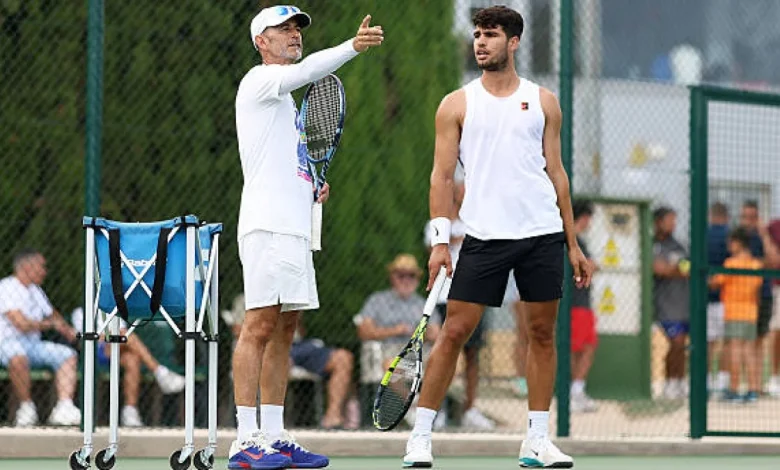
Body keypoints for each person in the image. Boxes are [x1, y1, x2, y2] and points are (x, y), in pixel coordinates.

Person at [402, 6, 592, 468]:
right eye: (477, 35)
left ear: (514, 42)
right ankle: (420, 438)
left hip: (542, 235)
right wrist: (440, 241)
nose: (481, 43)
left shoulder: (544, 100)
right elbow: (441, 178)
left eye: (491, 35)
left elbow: (558, 173)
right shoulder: (456, 104)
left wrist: (573, 242)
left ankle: (535, 442)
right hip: (484, 238)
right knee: (454, 334)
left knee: (541, 334)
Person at [230, 5, 383, 469]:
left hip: (294, 228)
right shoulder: (258, 81)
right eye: (283, 29)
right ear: (262, 41)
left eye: (296, 28)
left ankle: (274, 438)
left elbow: (285, 161)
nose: (293, 34)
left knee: (285, 332)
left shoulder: (287, 103)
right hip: (266, 227)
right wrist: (351, 48)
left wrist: (310, 184)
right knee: (257, 327)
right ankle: (243, 440)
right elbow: (315, 67)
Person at [423, 174, 495, 430]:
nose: (464, 191)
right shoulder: (438, 223)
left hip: (474, 293)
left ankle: (470, 410)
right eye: (460, 187)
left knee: (472, 355)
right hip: (443, 296)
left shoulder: (478, 220)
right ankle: (435, 410)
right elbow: (433, 246)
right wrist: (456, 237)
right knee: (443, 351)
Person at [223, 294, 357, 430]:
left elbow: (299, 329)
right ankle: (271, 423)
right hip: (268, 347)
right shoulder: (246, 298)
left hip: (298, 346)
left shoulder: (293, 291)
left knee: (343, 358)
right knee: (278, 361)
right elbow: (239, 332)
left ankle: (333, 417)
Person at [0, 249, 81, 426]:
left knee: (67, 355)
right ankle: (26, 407)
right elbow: (20, 324)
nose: (44, 271)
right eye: (41, 267)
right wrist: (50, 325)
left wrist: (69, 331)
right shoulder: (6, 287)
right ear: (27, 267)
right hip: (6, 343)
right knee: (18, 356)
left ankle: (64, 407)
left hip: (33, 345)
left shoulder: (36, 290)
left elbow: (52, 315)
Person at [70, 308, 186, 427]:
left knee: (132, 359)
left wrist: (111, 335)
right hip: (95, 351)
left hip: (117, 348)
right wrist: (110, 336)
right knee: (126, 336)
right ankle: (160, 372)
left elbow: (122, 333)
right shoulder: (80, 312)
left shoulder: (113, 310)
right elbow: (84, 338)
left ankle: (130, 411)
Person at [709, 227, 763, 403]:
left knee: (734, 350)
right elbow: (757, 288)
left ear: (738, 243)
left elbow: (716, 282)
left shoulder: (731, 263)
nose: (728, 246)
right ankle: (753, 389)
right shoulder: (756, 264)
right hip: (751, 312)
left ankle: (733, 388)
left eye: (730, 243)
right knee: (749, 350)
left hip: (734, 311)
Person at [738, 201, 780, 395]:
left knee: (759, 339)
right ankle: (741, 384)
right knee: (740, 341)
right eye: (744, 217)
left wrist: (763, 235)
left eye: (752, 217)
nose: (748, 221)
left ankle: (757, 385)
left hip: (763, 295)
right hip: (739, 298)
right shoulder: (736, 237)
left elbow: (773, 262)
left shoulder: (764, 235)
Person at [652, 206, 690, 400]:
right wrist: (675, 270)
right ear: (658, 222)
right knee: (676, 342)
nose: (673, 224)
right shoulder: (652, 244)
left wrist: (673, 269)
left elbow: (686, 267)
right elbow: (658, 269)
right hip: (665, 306)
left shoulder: (679, 245)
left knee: (682, 346)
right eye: (670, 220)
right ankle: (669, 382)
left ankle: (679, 382)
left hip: (683, 304)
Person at [569, 200, 599, 413]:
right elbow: (583, 266)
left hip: (583, 302)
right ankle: (571, 393)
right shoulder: (571, 242)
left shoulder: (580, 241)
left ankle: (577, 390)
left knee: (588, 346)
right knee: (576, 348)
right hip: (575, 303)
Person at [706, 202, 731, 395]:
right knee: (727, 341)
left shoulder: (702, 234)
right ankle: (722, 382)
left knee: (708, 342)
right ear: (726, 216)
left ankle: (705, 381)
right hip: (726, 297)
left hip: (704, 296)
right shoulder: (729, 235)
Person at [766, 219, 780, 397]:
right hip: (779, 286)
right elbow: (773, 260)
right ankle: (775, 377)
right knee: (778, 331)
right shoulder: (773, 227)